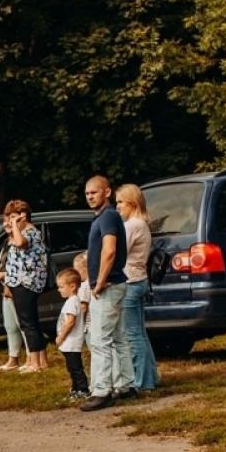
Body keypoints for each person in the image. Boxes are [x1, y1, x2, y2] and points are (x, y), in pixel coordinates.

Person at [80, 175, 134, 411]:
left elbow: (109, 251)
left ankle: (101, 390)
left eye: (95, 192)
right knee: (119, 337)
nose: (90, 196)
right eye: (87, 193)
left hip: (109, 286)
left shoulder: (108, 217)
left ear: (107, 192)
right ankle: (125, 384)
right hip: (117, 284)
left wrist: (99, 282)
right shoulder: (105, 217)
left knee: (99, 340)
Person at [117, 183, 159, 392]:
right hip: (140, 279)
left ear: (131, 203)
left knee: (132, 334)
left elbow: (118, 252)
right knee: (140, 332)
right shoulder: (142, 224)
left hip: (131, 281)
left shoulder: (131, 226)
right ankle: (151, 377)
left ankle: (142, 381)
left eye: (120, 202)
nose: (118, 207)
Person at [0, 200, 50, 374]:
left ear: (23, 215)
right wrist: (11, 228)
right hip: (18, 282)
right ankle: (38, 360)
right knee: (29, 322)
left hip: (26, 282)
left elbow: (21, 243)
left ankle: (35, 363)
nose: (10, 220)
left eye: (13, 216)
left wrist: (14, 224)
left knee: (28, 324)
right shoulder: (20, 232)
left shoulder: (30, 231)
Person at [54, 267, 90, 401]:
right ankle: (76, 389)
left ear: (72, 286)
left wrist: (60, 337)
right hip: (70, 343)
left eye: (61, 287)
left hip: (70, 342)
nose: (59, 290)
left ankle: (82, 389)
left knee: (75, 368)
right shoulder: (74, 301)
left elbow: (70, 322)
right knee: (72, 367)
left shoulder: (71, 302)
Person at [0, 243, 25, 371]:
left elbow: (23, 267)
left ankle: (31, 358)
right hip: (6, 289)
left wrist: (4, 275)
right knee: (10, 326)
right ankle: (13, 358)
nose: (7, 225)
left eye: (9, 222)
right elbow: (4, 262)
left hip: (17, 289)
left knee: (23, 325)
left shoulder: (22, 242)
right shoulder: (6, 243)